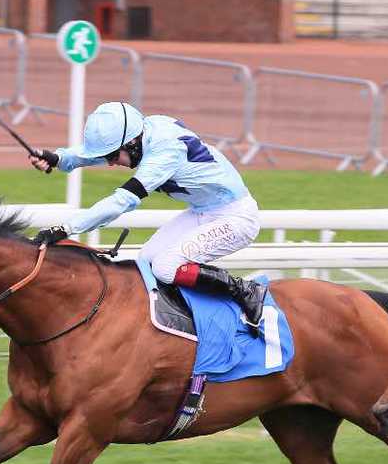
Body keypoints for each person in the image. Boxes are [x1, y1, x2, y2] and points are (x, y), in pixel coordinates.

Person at [30, 101, 266, 334]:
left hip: (236, 219)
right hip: (202, 211)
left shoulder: (164, 153)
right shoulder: (144, 131)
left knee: (165, 267)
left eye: (113, 156)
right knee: (146, 260)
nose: (111, 163)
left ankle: (244, 291)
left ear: (132, 144)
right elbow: (98, 153)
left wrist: (66, 228)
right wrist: (59, 159)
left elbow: (122, 202)